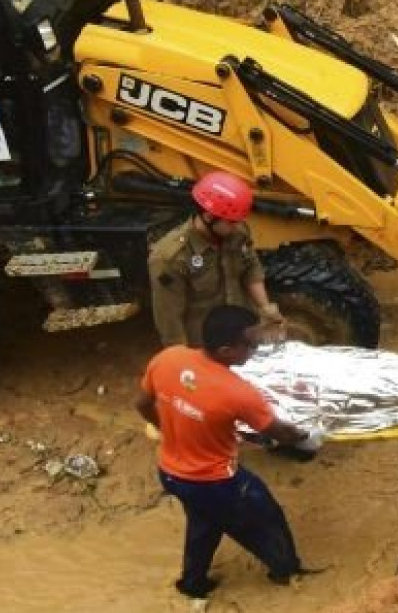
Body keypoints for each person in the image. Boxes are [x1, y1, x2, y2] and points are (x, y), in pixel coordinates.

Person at [135, 304, 325, 599]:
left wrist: (171, 428)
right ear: (226, 350)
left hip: (171, 472)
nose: (255, 350)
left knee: (204, 522)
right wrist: (305, 436)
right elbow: (277, 432)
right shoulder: (237, 392)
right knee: (265, 517)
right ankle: (285, 569)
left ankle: (192, 584)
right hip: (214, 481)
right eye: (250, 345)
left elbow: (142, 405)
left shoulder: (168, 358)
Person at [149, 171, 283, 347]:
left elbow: (251, 266)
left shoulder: (236, 233)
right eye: (231, 222)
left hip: (237, 335)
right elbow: (169, 320)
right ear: (209, 217)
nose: (237, 227)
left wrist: (265, 307)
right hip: (203, 344)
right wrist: (184, 360)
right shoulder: (171, 258)